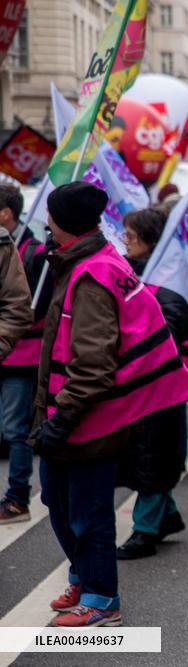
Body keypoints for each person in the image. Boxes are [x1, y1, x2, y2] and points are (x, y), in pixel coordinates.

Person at [33, 182, 188, 627]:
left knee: (87, 513)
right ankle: (84, 578)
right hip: (78, 413)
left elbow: (93, 363)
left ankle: (102, 599)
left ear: (62, 221)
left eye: (51, 215)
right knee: (60, 500)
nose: (47, 222)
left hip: (88, 417)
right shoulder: (92, 261)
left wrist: (62, 419)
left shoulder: (93, 274)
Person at [116, 208, 188, 559]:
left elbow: (167, 337)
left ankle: (145, 531)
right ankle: (166, 516)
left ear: (150, 239)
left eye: (131, 236)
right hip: (136, 385)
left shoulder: (171, 283)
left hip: (161, 385)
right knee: (146, 456)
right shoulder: (131, 272)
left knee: (154, 456)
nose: (125, 241)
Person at [0, 184, 50, 524]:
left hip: (22, 356)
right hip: (11, 351)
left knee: (15, 429)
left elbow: (31, 306)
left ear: (7, 213)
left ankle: (18, 498)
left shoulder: (34, 251)